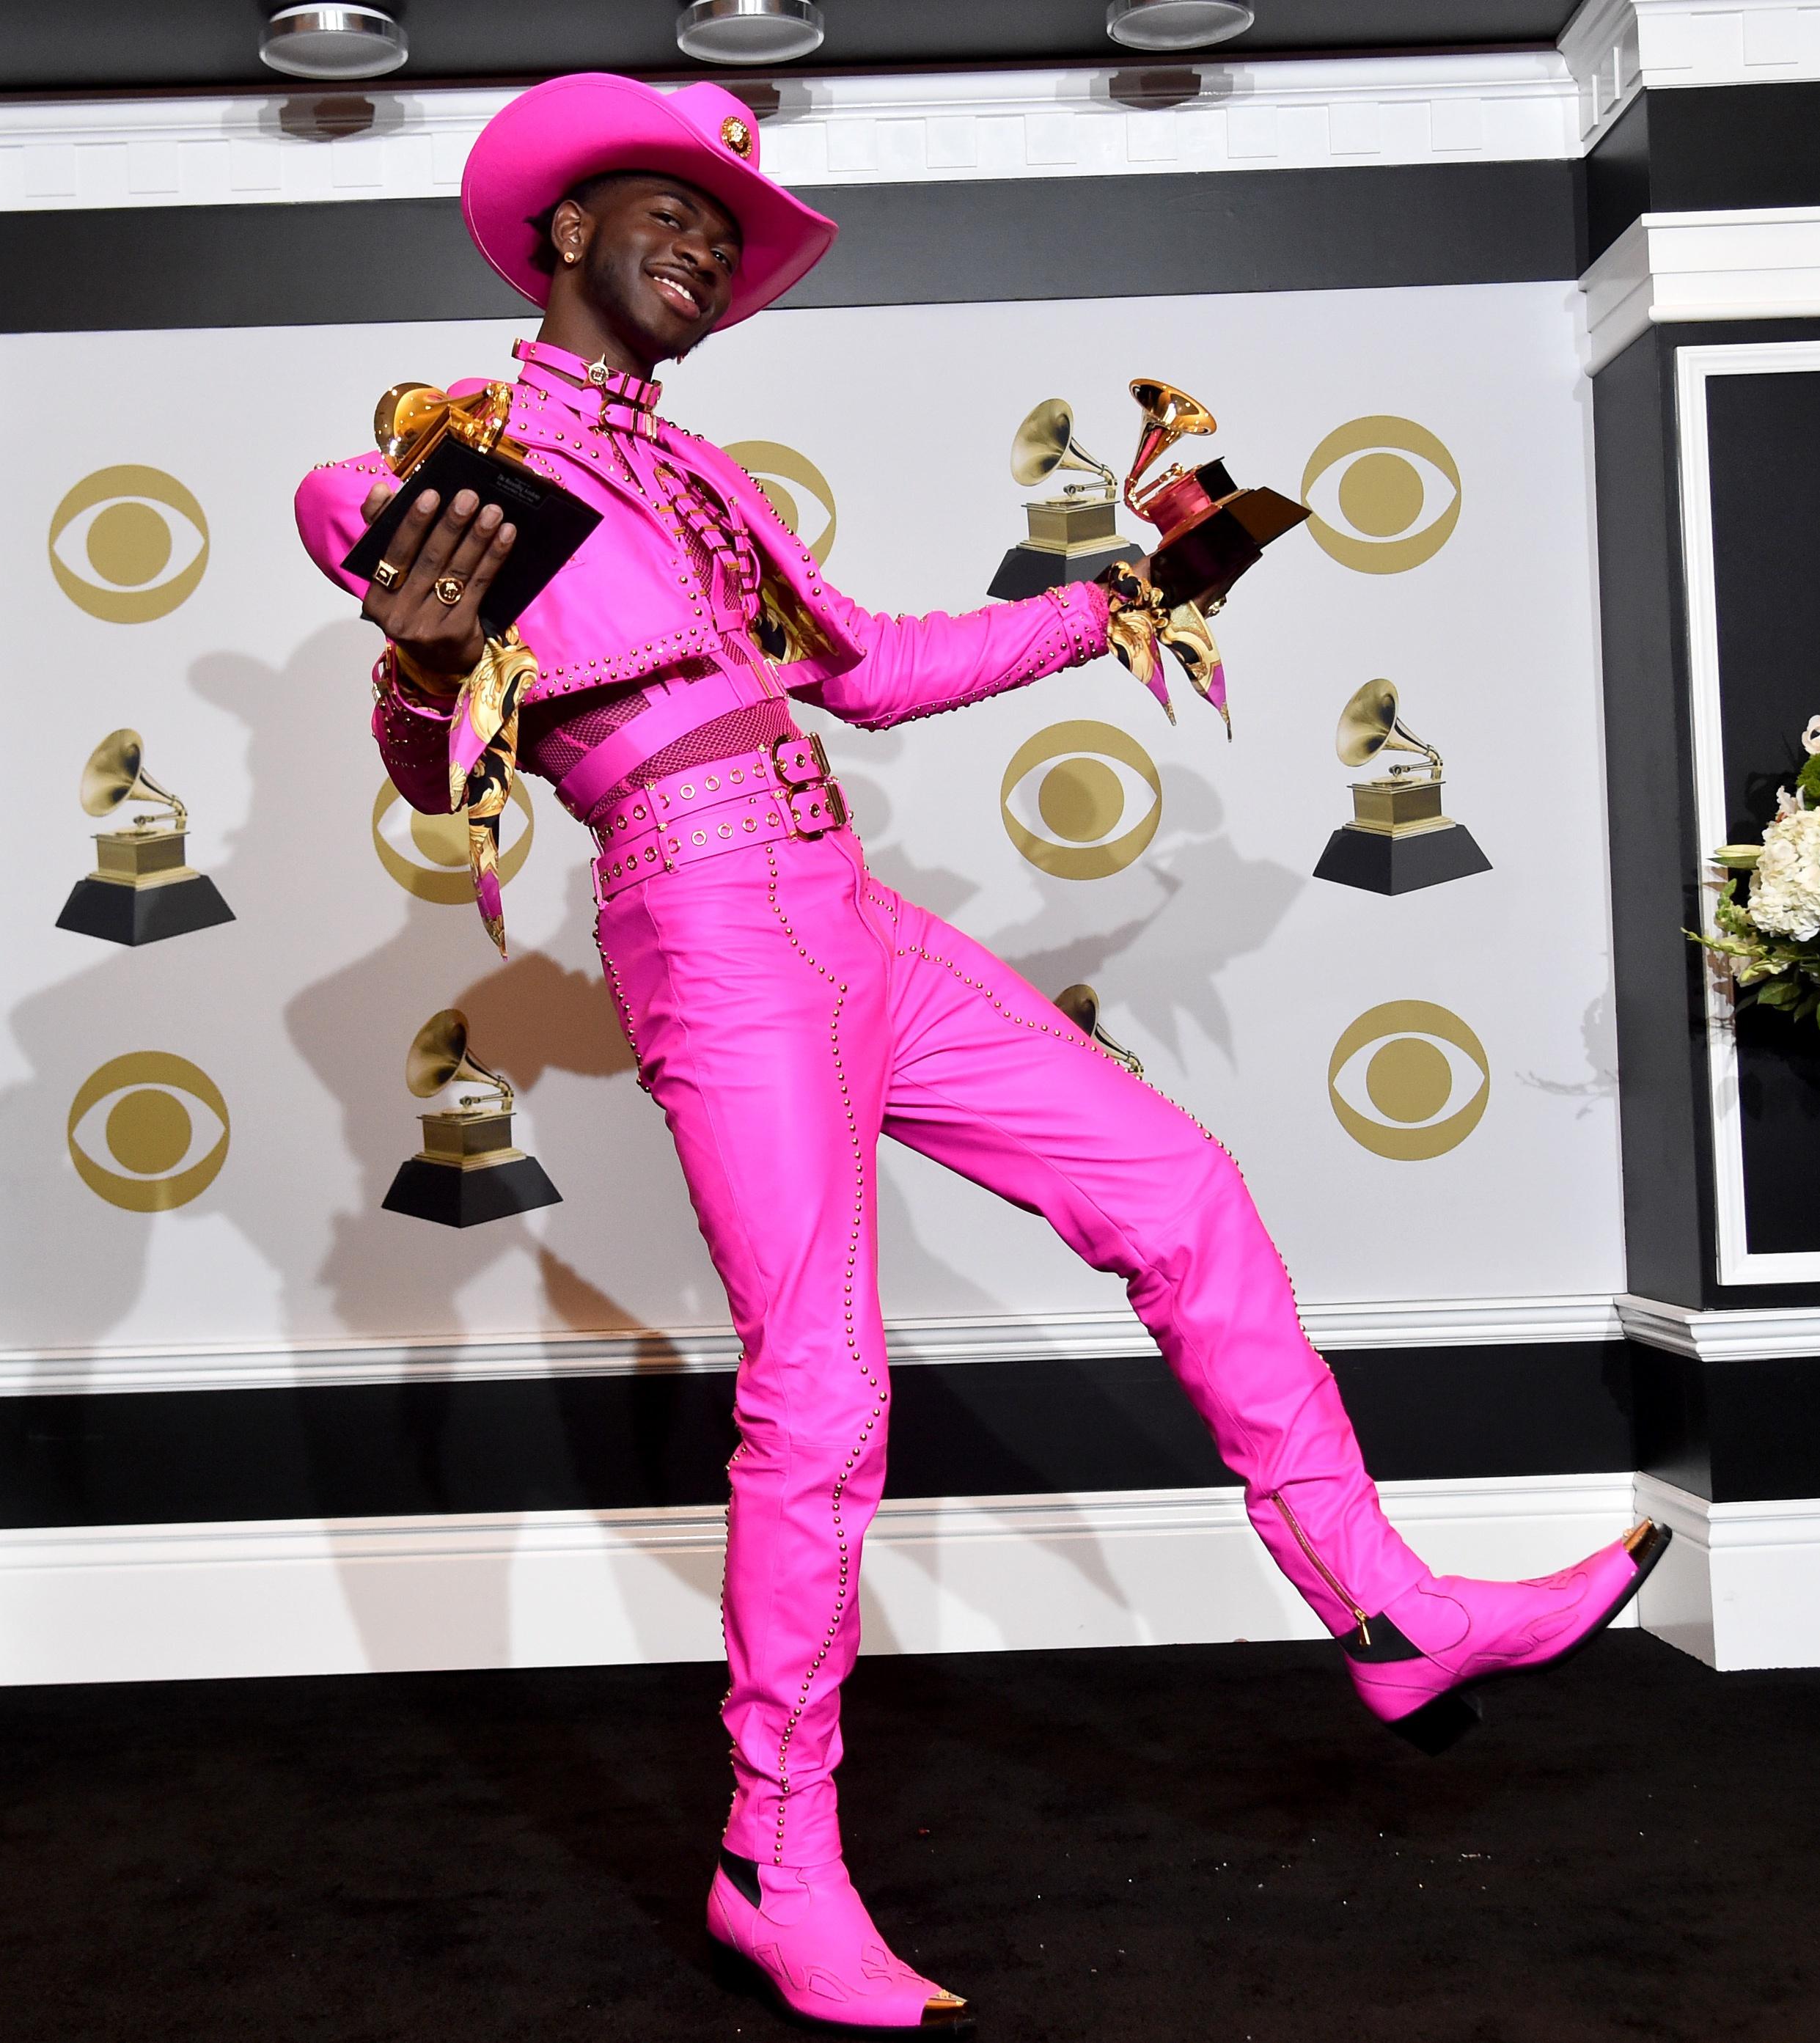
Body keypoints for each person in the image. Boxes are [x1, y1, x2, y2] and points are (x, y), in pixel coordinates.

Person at [294, 72, 1668, 2036]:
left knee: (1178, 1187)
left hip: (846, 906)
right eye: (661, 212)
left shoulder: (714, 480)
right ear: (561, 233)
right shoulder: (442, 457)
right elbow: (443, 758)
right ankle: (774, 1848)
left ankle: (1388, 1608)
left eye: (727, 228)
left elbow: (863, 664)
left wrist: (1120, 601)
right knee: (825, 1394)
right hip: (702, 917)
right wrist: (425, 670)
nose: (702, 246)